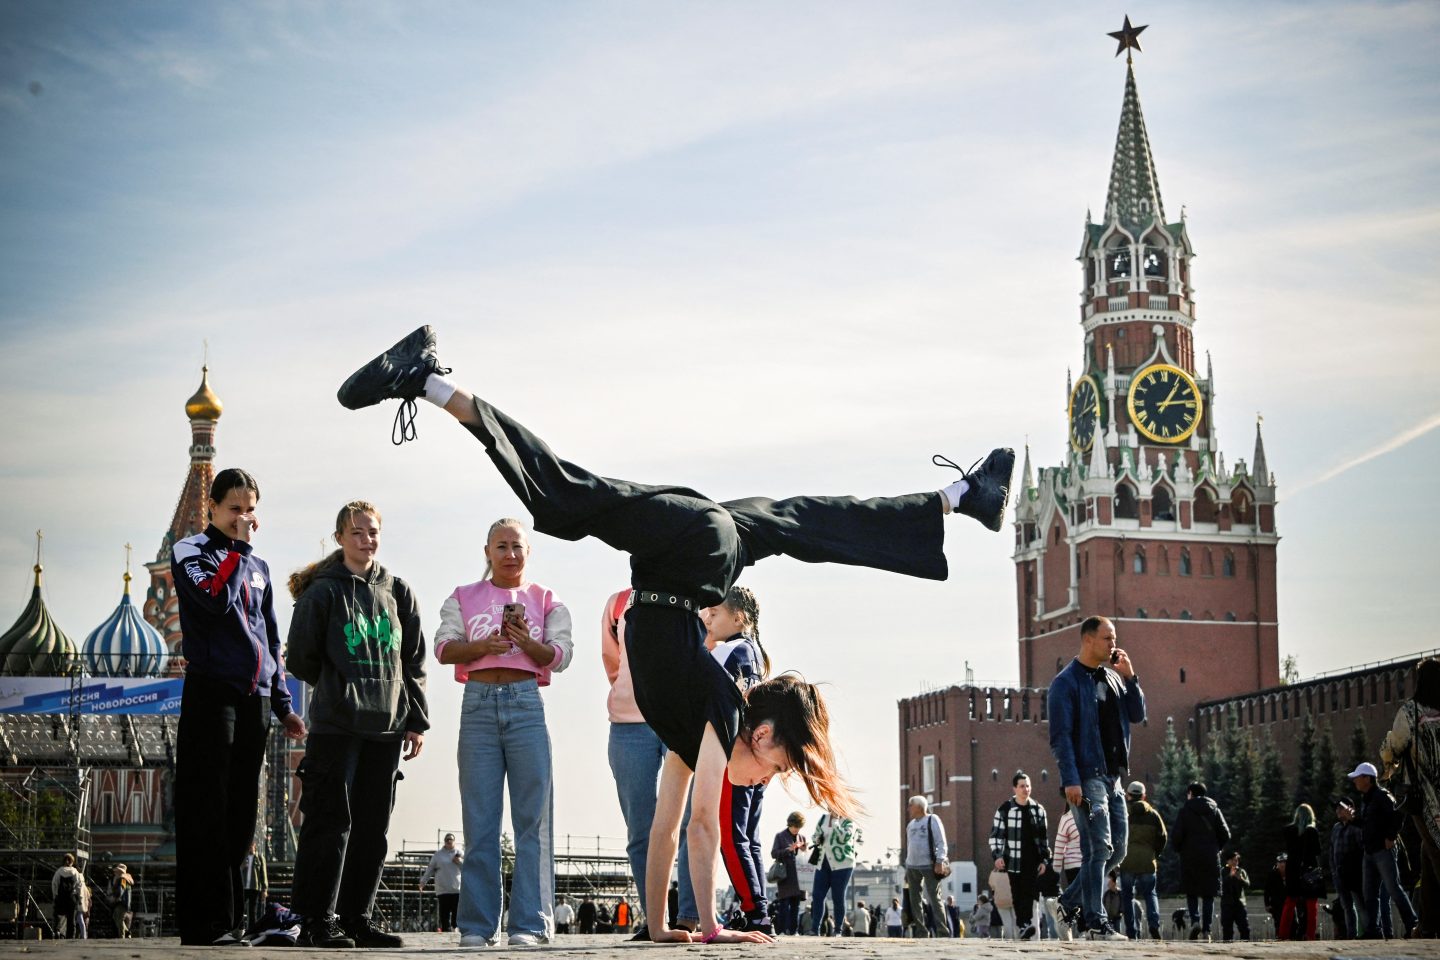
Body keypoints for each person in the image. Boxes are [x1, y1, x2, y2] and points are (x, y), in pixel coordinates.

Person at [336, 326, 1014, 946]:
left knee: (809, 523)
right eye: (773, 770)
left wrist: (662, 926)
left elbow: (669, 825)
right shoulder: (719, 709)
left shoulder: (695, 725)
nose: (758, 781)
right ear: (766, 737)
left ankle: (961, 497)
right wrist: (713, 928)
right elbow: (702, 827)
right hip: (690, 557)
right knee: (565, 500)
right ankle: (428, 379)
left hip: (693, 556)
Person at [171, 468, 306, 945]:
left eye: (250, 510)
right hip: (212, 691)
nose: (243, 518)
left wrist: (284, 703)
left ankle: (229, 921)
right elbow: (214, 602)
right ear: (212, 507)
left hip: (255, 698)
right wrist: (237, 550)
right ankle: (202, 922)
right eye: (234, 509)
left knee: (241, 813)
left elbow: (271, 638)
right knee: (207, 805)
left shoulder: (260, 569)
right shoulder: (192, 552)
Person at [286, 500, 428, 949]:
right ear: (340, 538)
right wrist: (342, 685)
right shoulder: (322, 593)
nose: (367, 540)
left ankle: (355, 919)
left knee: (372, 828)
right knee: (329, 824)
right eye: (357, 533)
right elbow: (302, 657)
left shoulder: (398, 592)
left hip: (385, 728)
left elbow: (414, 660)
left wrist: (415, 720)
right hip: (336, 727)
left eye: (373, 532)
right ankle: (314, 920)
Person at [434, 517, 574, 948]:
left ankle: (529, 925)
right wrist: (484, 646)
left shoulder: (546, 599)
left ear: (528, 553)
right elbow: (443, 648)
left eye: (517, 546)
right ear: (487, 551)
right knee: (480, 823)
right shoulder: (463, 596)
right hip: (477, 705)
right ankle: (477, 926)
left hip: (525, 704)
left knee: (532, 821)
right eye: (501, 546)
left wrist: (527, 643)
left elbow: (561, 655)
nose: (510, 554)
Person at [677, 587, 774, 934]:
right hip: (756, 760)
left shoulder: (729, 651)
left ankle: (755, 912)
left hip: (730, 755)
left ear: (738, 618)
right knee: (750, 837)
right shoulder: (758, 656)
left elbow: (698, 689)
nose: (707, 617)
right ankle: (758, 908)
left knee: (731, 837)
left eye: (714, 612)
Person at [1047, 615, 1145, 941]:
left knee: (1117, 851)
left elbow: (1137, 714)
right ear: (1088, 639)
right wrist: (1070, 780)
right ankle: (1095, 924)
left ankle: (1065, 904)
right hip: (1085, 777)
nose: (1113, 644)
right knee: (1097, 850)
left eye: (1114, 638)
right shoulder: (1065, 683)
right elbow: (1061, 737)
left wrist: (1130, 677)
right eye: (1108, 638)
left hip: (1113, 778)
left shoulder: (1115, 679)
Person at [600, 586, 667, 939]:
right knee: (639, 830)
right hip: (628, 723)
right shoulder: (618, 603)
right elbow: (613, 662)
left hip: (678, 723)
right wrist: (630, 690)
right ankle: (656, 921)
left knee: (689, 823)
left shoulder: (698, 595)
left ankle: (690, 915)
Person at [1381, 656, 1440, 937]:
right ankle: (1427, 926)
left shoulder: (1412, 711)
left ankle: (1428, 926)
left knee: (1436, 850)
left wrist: (1387, 768)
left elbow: (1393, 745)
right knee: (1427, 851)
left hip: (1425, 798)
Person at [1351, 760, 1419, 938]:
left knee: (1393, 888)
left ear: (1367, 778)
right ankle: (1373, 930)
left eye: (1357, 777)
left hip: (1383, 851)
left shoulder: (1382, 795)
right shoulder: (1366, 799)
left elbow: (1398, 813)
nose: (1354, 781)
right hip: (1370, 852)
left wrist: (1391, 837)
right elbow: (1368, 824)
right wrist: (1353, 820)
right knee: (1370, 894)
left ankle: (1413, 925)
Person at [989, 771, 1051, 940]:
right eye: (1022, 786)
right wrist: (998, 856)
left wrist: (1045, 859)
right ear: (1015, 788)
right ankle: (1023, 925)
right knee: (1017, 892)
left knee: (1030, 893)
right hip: (1013, 859)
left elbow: (1044, 838)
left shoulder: (1039, 810)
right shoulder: (1005, 809)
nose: (1026, 789)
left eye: (1028, 785)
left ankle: (1024, 925)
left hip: (1033, 860)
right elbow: (996, 835)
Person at [1172, 781, 1230, 942]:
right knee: (1208, 894)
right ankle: (1207, 930)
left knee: (1192, 891)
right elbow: (1226, 833)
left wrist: (1180, 850)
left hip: (1190, 857)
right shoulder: (1214, 809)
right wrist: (1216, 848)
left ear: (1190, 793)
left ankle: (1195, 921)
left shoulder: (1185, 811)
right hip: (1210, 857)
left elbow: (1176, 836)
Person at [1117, 780, 1166, 940]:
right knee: (1150, 894)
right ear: (1144, 796)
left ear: (1128, 795)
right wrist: (1154, 853)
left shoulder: (1123, 813)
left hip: (1126, 861)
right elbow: (1163, 837)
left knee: (1127, 896)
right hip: (1147, 861)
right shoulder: (1153, 815)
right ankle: (1154, 925)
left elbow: (1115, 836)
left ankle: (1132, 931)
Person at [810, 805, 861, 937]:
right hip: (823, 862)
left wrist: (836, 822)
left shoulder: (848, 821)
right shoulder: (823, 819)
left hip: (843, 864)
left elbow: (844, 837)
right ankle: (815, 928)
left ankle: (838, 929)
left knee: (838, 896)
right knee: (817, 895)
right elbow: (815, 835)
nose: (832, 808)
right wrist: (817, 838)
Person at [903, 795, 948, 938]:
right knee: (914, 900)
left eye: (910, 805)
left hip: (929, 865)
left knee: (935, 898)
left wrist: (940, 861)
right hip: (912, 866)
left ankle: (942, 931)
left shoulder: (932, 819)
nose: (908, 808)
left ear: (919, 807)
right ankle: (921, 931)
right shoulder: (910, 825)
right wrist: (906, 866)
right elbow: (910, 846)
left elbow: (941, 841)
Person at [1278, 803, 1323, 940]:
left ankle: (1283, 934)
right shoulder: (1312, 831)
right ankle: (1310, 935)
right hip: (1309, 869)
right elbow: (1317, 851)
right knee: (1311, 905)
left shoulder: (1288, 830)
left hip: (1293, 869)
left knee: (1290, 903)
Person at [1331, 799, 1364, 939]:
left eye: (1341, 807)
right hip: (1339, 874)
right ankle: (1351, 934)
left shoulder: (1356, 827)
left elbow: (1362, 849)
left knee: (1362, 905)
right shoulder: (1336, 828)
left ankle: (1372, 931)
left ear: (1350, 808)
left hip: (1355, 873)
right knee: (1347, 907)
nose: (1337, 810)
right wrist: (1333, 870)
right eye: (1336, 808)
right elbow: (1331, 850)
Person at [770, 813, 806, 935]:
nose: (796, 830)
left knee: (796, 906)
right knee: (784, 905)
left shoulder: (802, 837)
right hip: (785, 875)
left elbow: (807, 855)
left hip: (799, 877)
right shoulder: (780, 836)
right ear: (789, 824)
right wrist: (788, 850)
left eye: (799, 827)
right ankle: (782, 930)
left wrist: (804, 848)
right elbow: (774, 853)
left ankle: (793, 930)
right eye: (794, 827)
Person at [419, 834, 463, 932]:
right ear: (444, 841)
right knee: (444, 912)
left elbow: (467, 869)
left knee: (456, 911)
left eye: (451, 839)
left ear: (454, 841)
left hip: (456, 888)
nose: (449, 841)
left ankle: (455, 928)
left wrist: (459, 862)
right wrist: (423, 882)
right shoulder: (438, 855)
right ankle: (445, 930)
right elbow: (430, 869)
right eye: (447, 840)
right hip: (442, 889)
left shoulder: (459, 853)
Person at [1219, 851, 1250, 942]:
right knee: (1227, 929)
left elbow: (1247, 885)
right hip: (1227, 904)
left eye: (1236, 860)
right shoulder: (1223, 871)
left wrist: (1241, 879)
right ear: (1228, 861)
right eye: (1232, 860)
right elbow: (1220, 885)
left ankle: (1246, 946)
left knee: (1245, 928)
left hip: (1240, 904)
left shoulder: (1241, 871)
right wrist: (1229, 876)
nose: (1235, 862)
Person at [1053, 794, 1083, 888]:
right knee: (1081, 897)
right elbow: (1059, 844)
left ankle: (1064, 901)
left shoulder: (1089, 816)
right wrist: (1056, 870)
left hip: (1083, 864)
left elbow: (1059, 845)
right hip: (1075, 865)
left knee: (1083, 897)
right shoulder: (1066, 819)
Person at [52, 853, 82, 938]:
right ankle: (70, 936)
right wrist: (79, 898)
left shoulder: (59, 871)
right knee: (71, 919)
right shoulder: (75, 872)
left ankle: (59, 932)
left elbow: (54, 884)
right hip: (71, 897)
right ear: (72, 862)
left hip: (61, 897)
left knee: (59, 916)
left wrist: (55, 896)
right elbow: (79, 886)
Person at [242, 841, 267, 932]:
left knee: (252, 911)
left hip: (254, 887)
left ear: (254, 846)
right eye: (249, 846)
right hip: (244, 887)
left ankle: (252, 929)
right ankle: (240, 928)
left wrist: (264, 889)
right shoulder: (244, 857)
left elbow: (263, 874)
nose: (250, 848)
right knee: (241, 908)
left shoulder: (259, 858)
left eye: (252, 846)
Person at [1262, 855, 1287, 935]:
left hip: (1289, 902)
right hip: (1276, 904)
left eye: (1284, 862)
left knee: (1293, 923)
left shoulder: (1291, 873)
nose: (1282, 864)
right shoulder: (1272, 874)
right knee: (1279, 923)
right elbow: (1267, 890)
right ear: (1277, 864)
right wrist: (1267, 904)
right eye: (1280, 862)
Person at [109, 863, 133, 939]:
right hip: (125, 902)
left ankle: (122, 936)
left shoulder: (122, 879)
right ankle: (127, 932)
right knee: (116, 917)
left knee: (119, 919)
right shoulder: (126, 879)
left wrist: (115, 897)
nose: (115, 872)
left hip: (121, 902)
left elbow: (120, 890)